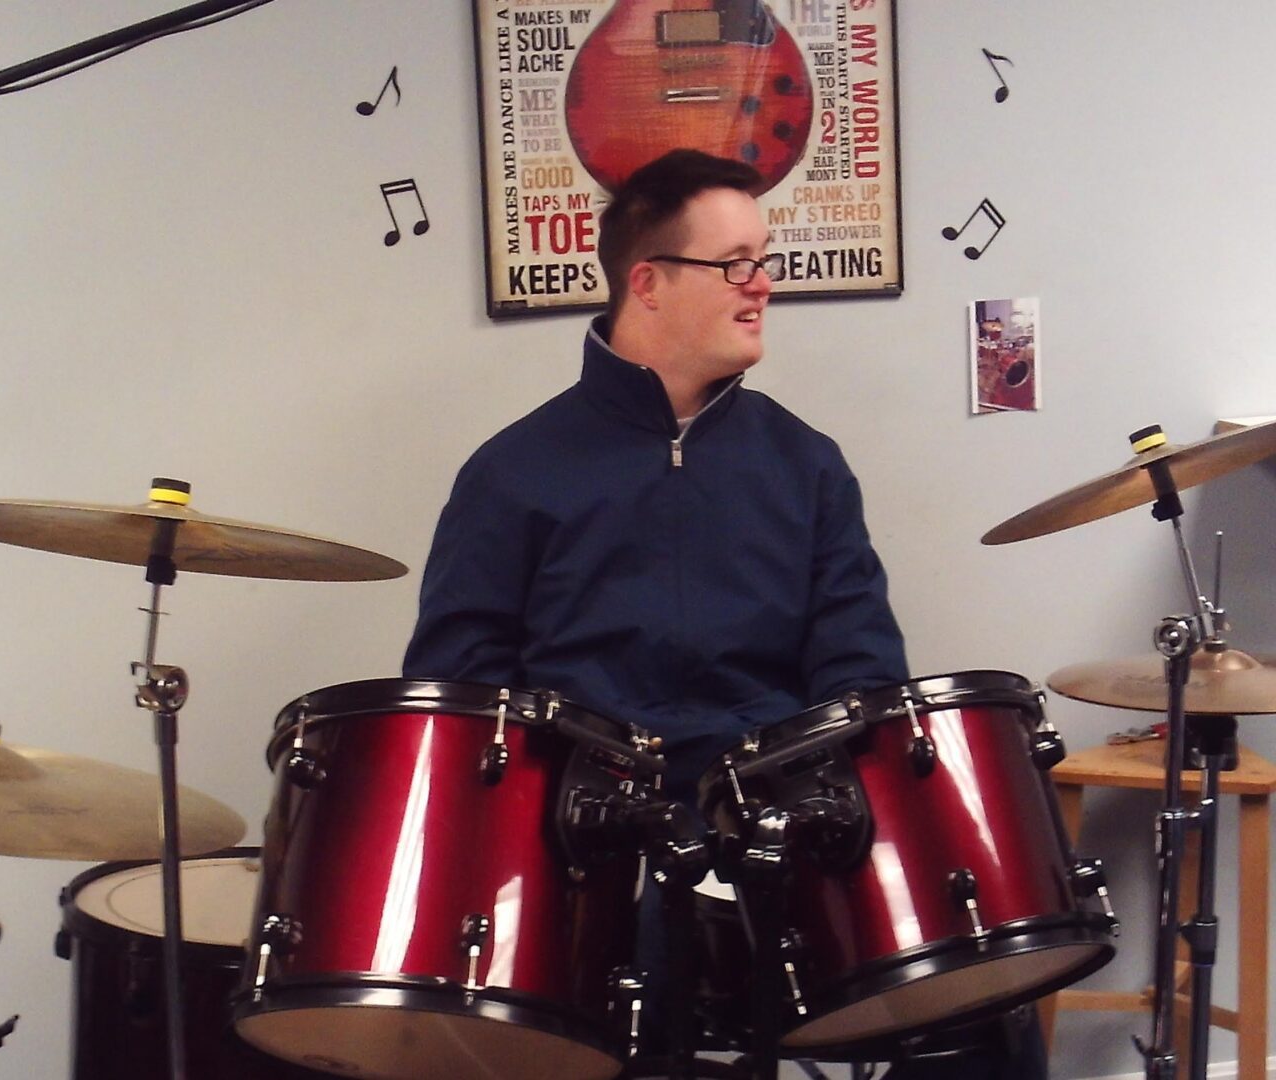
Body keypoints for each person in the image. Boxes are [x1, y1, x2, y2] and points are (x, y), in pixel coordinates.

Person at [402, 148, 1040, 1078]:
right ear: (648, 282)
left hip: (772, 825)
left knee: (986, 987)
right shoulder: (511, 473)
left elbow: (861, 676)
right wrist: (585, 815)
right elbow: (464, 705)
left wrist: (807, 811)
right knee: (641, 954)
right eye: (736, 262)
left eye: (764, 258)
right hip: (594, 844)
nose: (762, 286)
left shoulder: (806, 465)